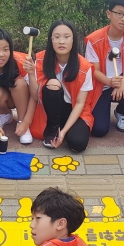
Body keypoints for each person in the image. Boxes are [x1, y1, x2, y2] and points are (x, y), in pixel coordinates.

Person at [25, 20, 95, 152]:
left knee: (77, 145)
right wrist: (31, 74)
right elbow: (35, 96)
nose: (61, 41)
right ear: (51, 39)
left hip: (74, 110)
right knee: (53, 84)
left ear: (73, 39)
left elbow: (80, 103)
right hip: (51, 110)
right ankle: (53, 127)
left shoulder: (85, 67)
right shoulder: (40, 60)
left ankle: (63, 130)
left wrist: (64, 131)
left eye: (66, 37)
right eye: (56, 37)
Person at [85, 0, 124, 136]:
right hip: (101, 85)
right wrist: (109, 82)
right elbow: (94, 70)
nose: (123, 19)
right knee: (99, 130)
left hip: (121, 81)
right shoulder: (94, 39)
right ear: (109, 14)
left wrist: (122, 82)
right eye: (119, 14)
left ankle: (121, 112)